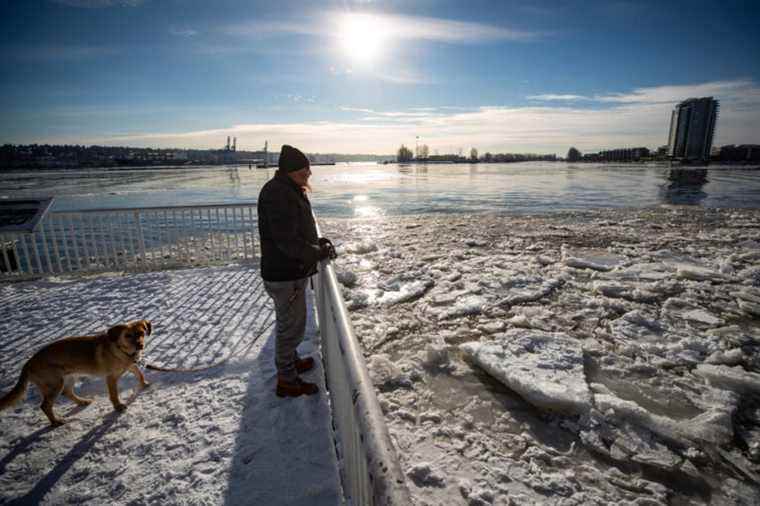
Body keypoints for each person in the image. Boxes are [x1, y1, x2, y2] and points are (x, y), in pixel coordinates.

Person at [257, 144, 334, 397]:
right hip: (285, 274)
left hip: (289, 272)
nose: (309, 174)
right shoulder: (278, 194)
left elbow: (297, 230)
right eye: (304, 170)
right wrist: (316, 253)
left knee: (291, 325)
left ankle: (291, 361)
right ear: (290, 171)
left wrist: (316, 244)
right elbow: (286, 241)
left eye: (308, 169)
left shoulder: (287, 189)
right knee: (290, 329)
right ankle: (287, 380)